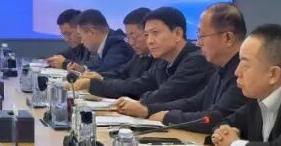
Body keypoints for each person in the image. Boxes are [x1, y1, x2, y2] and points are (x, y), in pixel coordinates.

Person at [116, 2, 247, 130]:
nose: (198, 43)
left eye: (202, 36)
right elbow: (195, 102)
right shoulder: (221, 69)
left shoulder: (243, 73)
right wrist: (149, 110)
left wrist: (167, 117)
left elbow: (215, 118)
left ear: (228, 38)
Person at [75, 6, 213, 106]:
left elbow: (165, 94)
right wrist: (96, 83)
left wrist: (139, 103)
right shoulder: (164, 62)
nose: (150, 41)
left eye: (155, 33)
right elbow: (141, 84)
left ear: (177, 33)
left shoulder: (196, 60)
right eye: (146, 35)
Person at [80, 7, 154, 82]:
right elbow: (121, 73)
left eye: (134, 36)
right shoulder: (139, 57)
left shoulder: (118, 43)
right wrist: (93, 76)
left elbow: (137, 85)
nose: (131, 43)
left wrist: (101, 80)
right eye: (128, 37)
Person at [72, 9, 133, 76]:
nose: (81, 42)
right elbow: (102, 68)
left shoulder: (118, 45)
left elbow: (107, 73)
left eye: (81, 36)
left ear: (91, 32)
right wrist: (83, 69)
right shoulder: (109, 41)